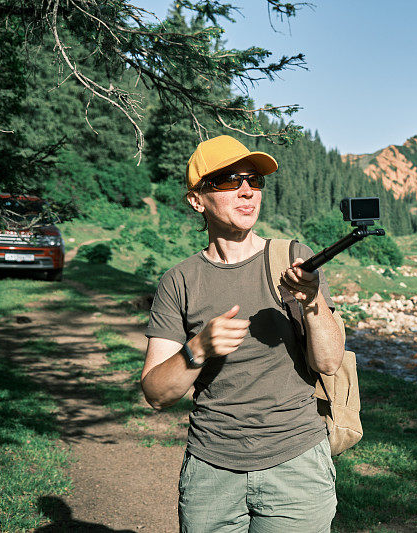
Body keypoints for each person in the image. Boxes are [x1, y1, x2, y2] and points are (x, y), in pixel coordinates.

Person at [141, 135, 344, 532]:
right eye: (228, 180)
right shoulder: (179, 281)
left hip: (297, 464)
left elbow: (329, 362)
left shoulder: (291, 257)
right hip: (211, 471)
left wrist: (313, 300)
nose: (247, 190)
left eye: (253, 180)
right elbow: (155, 394)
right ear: (197, 200)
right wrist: (197, 348)